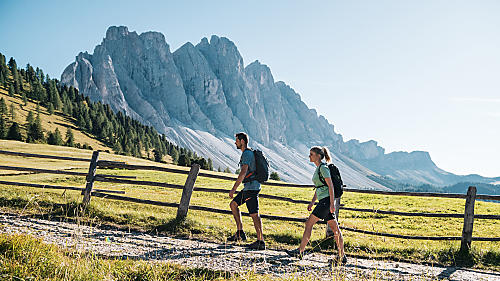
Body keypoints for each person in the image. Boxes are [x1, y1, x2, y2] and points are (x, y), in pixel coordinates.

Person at [286, 146, 347, 265]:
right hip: (324, 201)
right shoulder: (319, 168)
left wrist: (331, 204)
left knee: (309, 224)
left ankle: (300, 251)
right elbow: (320, 187)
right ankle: (342, 256)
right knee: (335, 229)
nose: (309, 156)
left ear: (318, 156)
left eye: (311, 154)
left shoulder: (323, 168)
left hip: (325, 202)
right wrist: (312, 202)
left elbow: (330, 186)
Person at [227, 132, 265, 250]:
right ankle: (240, 233)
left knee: (254, 214)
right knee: (233, 204)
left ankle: (260, 241)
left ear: (242, 141)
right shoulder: (247, 153)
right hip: (248, 187)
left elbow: (243, 172)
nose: (235, 142)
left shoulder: (247, 154)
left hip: (251, 188)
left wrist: (234, 189)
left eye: (237, 140)